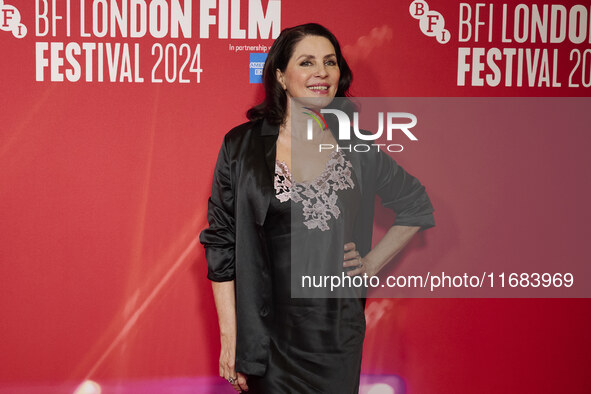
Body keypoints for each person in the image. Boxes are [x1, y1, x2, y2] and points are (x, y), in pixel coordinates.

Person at [200, 23, 434, 393]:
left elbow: (416, 205)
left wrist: (371, 263)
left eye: (330, 62)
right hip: (267, 338)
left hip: (335, 336)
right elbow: (221, 243)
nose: (321, 72)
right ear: (280, 75)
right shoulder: (241, 146)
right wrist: (230, 336)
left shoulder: (356, 147)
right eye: (306, 62)